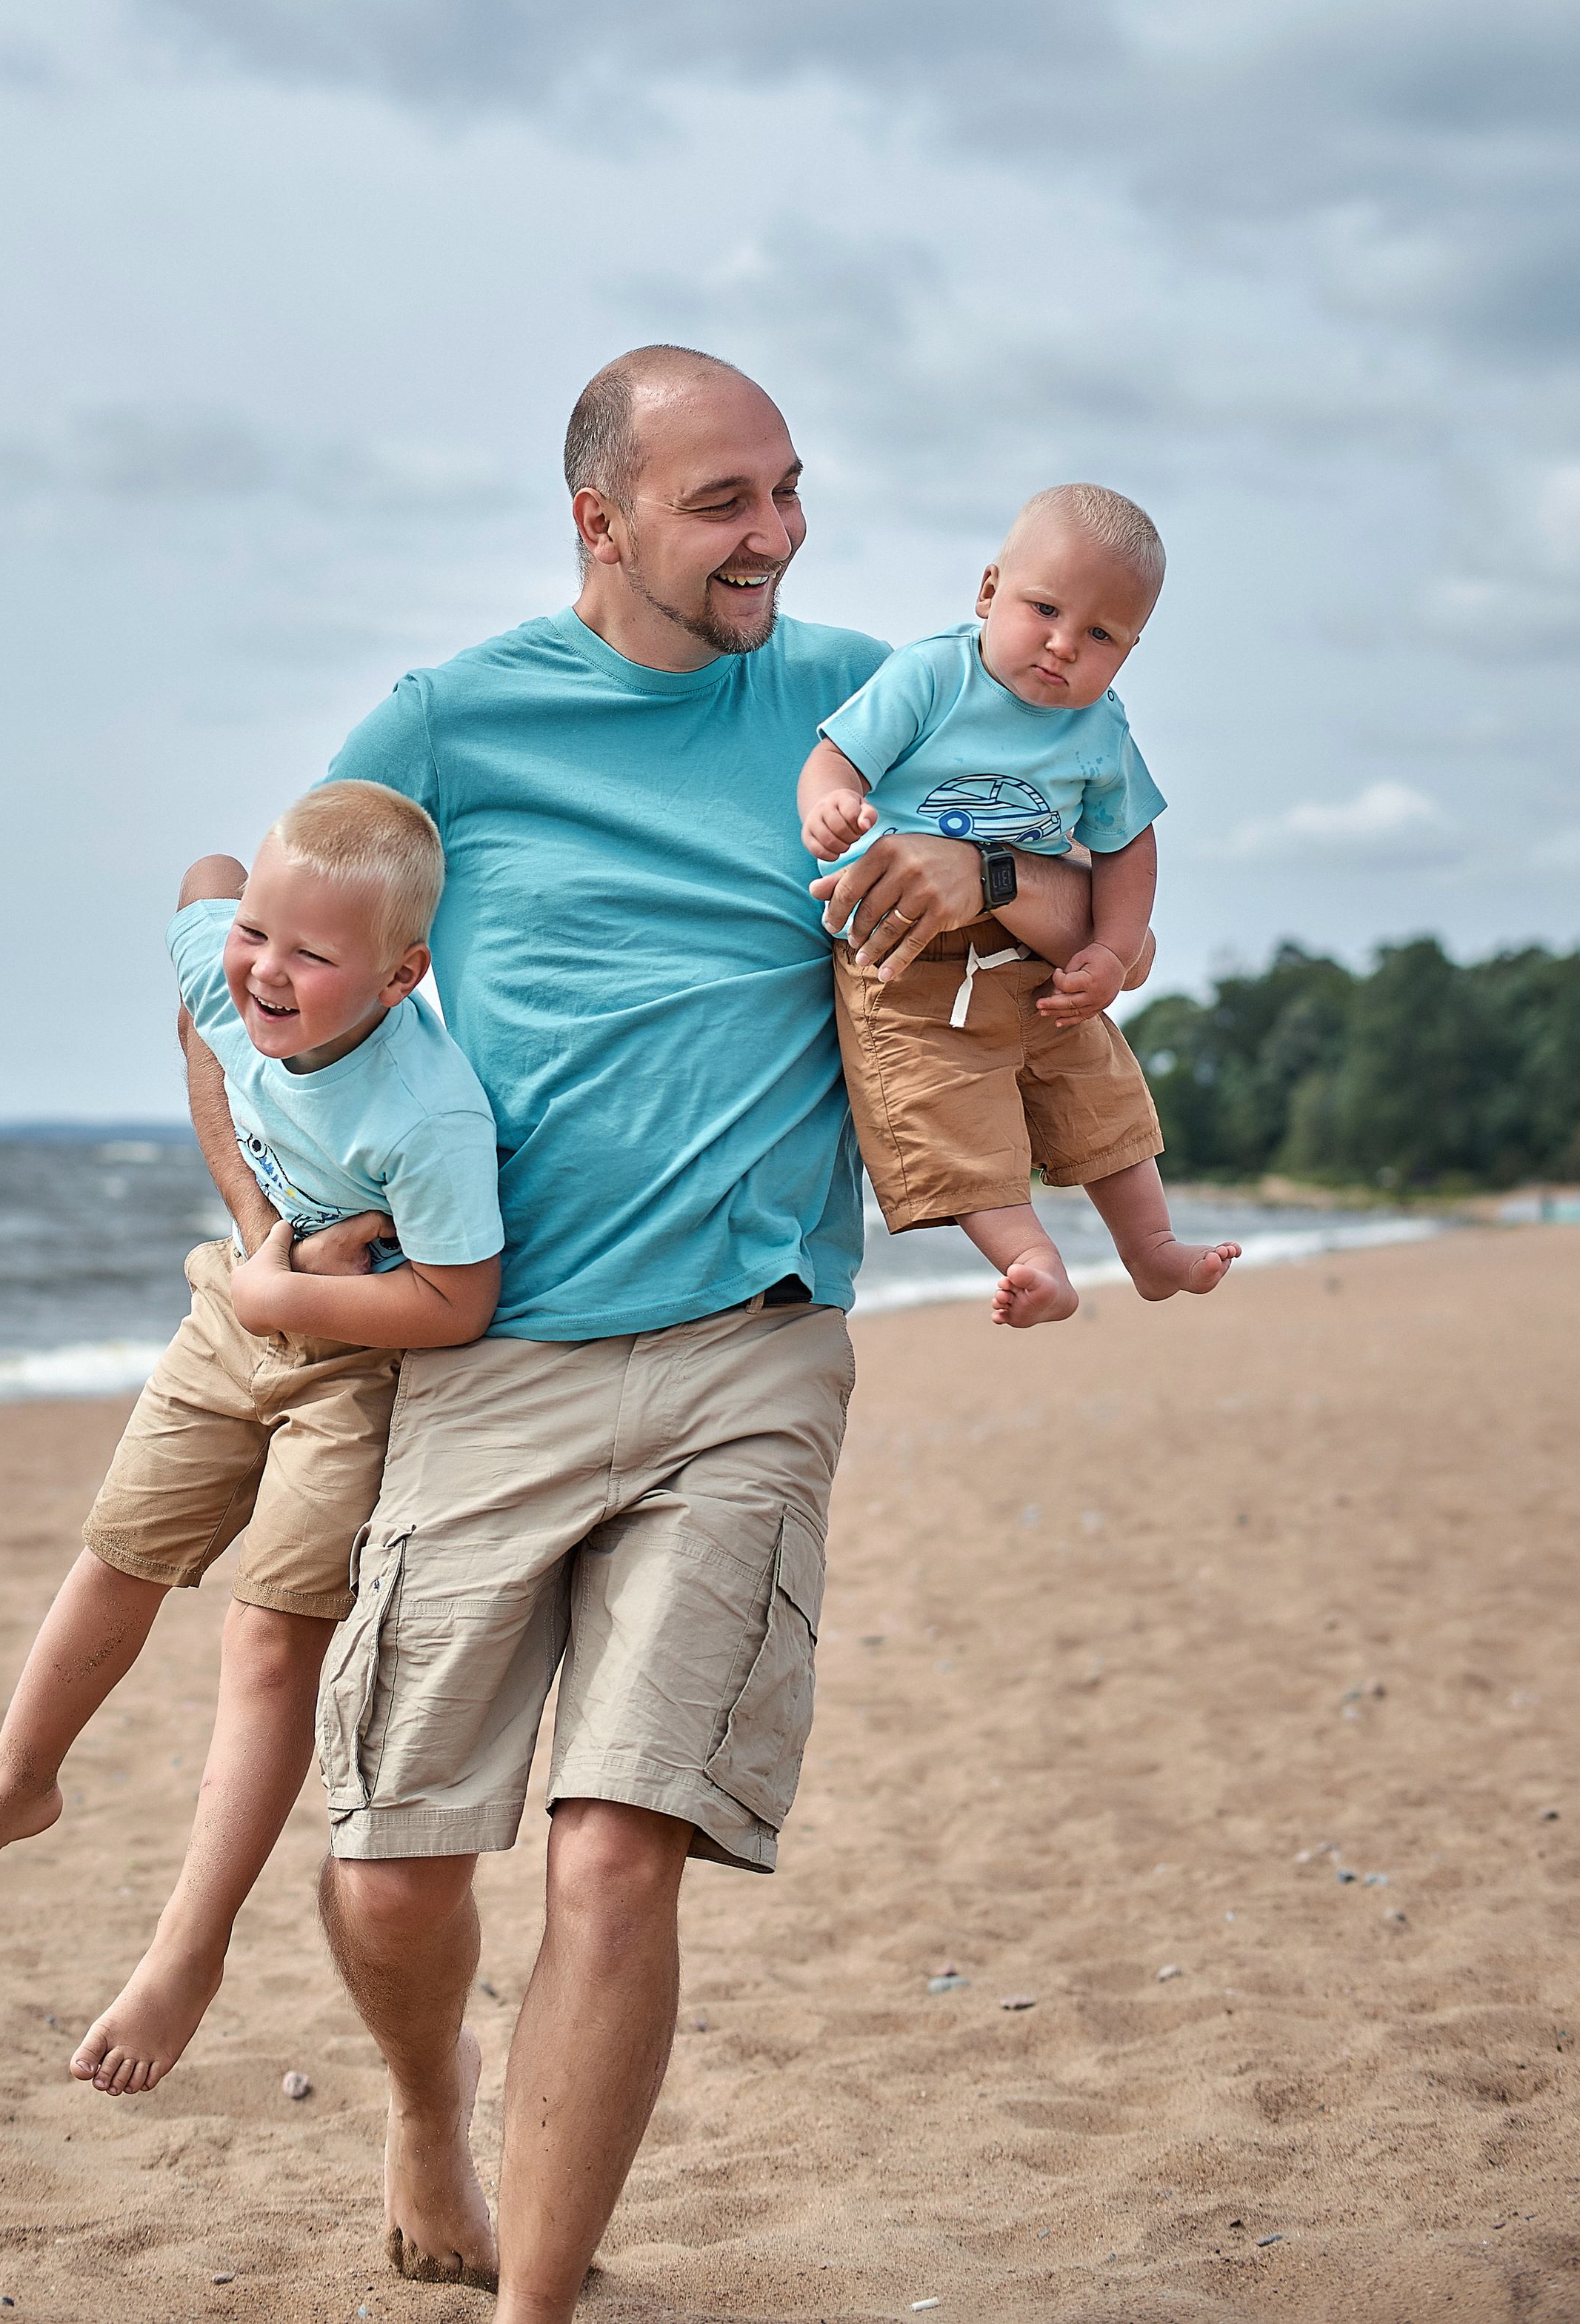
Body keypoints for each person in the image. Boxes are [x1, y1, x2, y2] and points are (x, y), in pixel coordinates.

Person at [181, 347, 1141, 2324]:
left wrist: (995, 875)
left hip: (753, 1348)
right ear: (599, 519)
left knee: (619, 1854)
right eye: (726, 502)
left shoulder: (886, 696)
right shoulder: (453, 723)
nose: (777, 534)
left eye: (789, 489)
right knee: (390, 1868)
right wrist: (276, 1233)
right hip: (490, 1359)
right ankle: (430, 2113)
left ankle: (539, 2302)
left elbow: (1106, 897)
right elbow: (253, 965)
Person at [0, 782, 504, 2100]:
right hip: (228, 1318)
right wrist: (257, 1253)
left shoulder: (428, 1111)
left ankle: (190, 1940)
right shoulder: (233, 975)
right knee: (116, 1552)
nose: (267, 971)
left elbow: (460, 1298)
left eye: (312, 953)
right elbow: (204, 879)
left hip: (357, 1370)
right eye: (259, 933)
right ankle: (16, 1780)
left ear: (402, 977)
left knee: (267, 1631)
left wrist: (294, 1291)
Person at [799, 483, 1239, 1328]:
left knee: (1099, 1091)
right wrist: (830, 803)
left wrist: (1111, 952)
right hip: (907, 959)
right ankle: (1031, 1259)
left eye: (1101, 635)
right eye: (1044, 608)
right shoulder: (934, 673)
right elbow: (836, 754)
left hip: (1033, 957)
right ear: (988, 591)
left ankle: (1151, 1250)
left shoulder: (1099, 727)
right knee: (945, 1112)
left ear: (1130, 652)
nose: (1064, 645)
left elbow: (1125, 844)